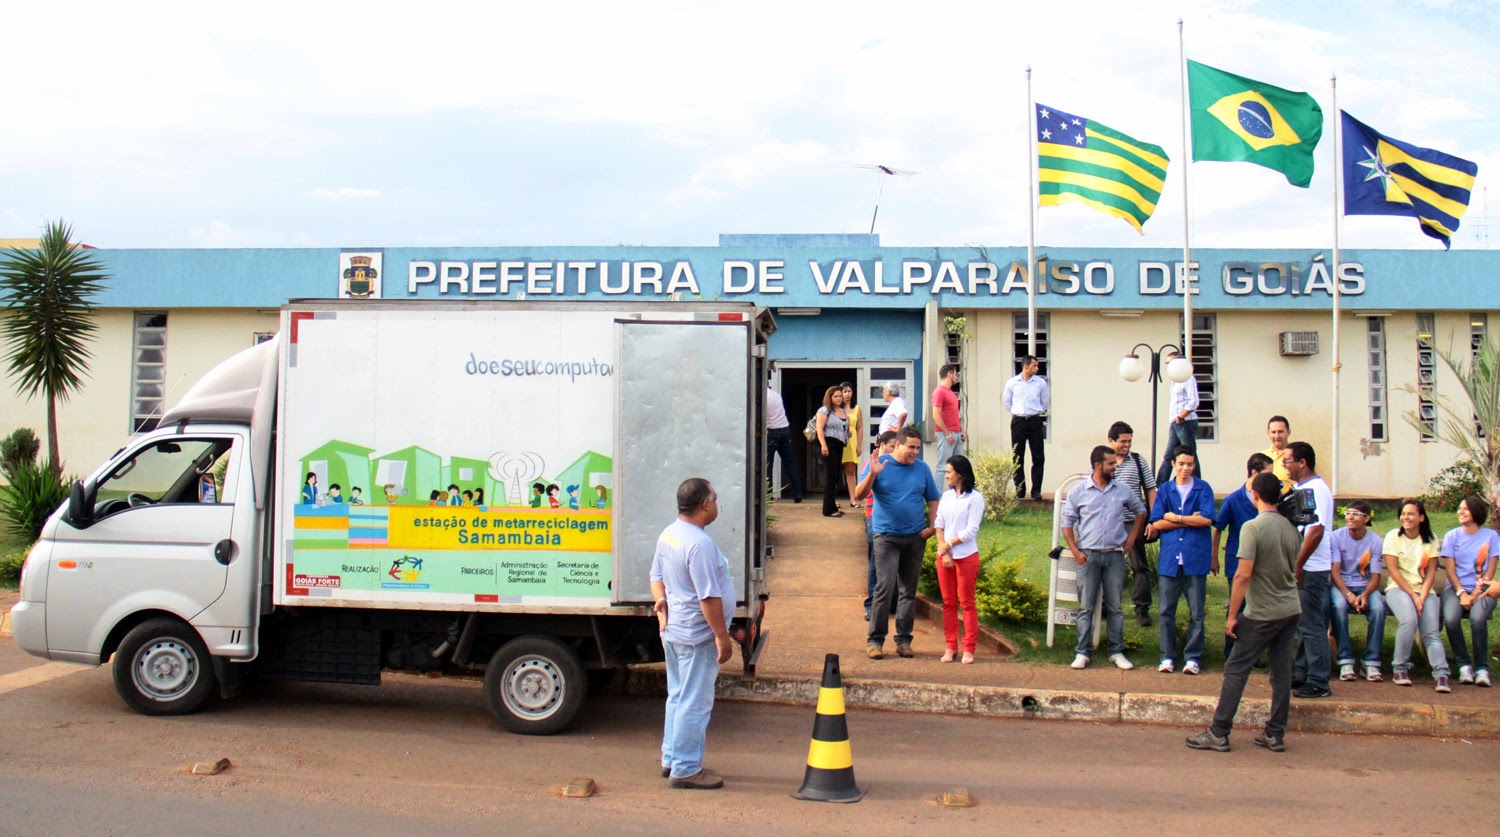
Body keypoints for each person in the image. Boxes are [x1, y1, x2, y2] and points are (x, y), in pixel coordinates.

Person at [1186, 473, 1302, 754]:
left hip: (1262, 611)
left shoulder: (1253, 527)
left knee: (1236, 668)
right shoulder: (1290, 528)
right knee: (1282, 673)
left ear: (1255, 496)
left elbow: (1242, 575)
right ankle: (1275, 734)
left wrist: (1232, 614)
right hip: (1290, 608)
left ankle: (1219, 731)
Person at [650, 477, 735, 790]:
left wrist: (661, 602)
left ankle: (672, 757)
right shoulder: (698, 544)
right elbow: (708, 597)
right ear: (704, 504)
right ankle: (685, 769)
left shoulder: (670, 534)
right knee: (695, 703)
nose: (716, 502)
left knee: (678, 696)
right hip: (696, 637)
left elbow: (655, 577)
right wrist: (722, 636)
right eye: (714, 497)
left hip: (675, 632)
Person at [854, 426, 941, 660]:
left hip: (914, 537)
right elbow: (859, 495)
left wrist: (931, 527)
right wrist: (872, 474)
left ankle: (904, 640)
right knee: (884, 588)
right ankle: (875, 641)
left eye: (917, 448)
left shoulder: (922, 469)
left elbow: (933, 499)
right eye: (911, 447)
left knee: (908, 591)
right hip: (886, 537)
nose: (915, 452)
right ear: (898, 444)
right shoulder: (880, 463)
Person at [1061, 445, 1145, 670]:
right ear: (1098, 465)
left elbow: (1140, 510)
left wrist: (1132, 538)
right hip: (1088, 556)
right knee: (1086, 606)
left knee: (1116, 607)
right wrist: (1076, 551)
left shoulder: (1122, 489)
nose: (1115, 466)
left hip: (1115, 556)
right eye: (1110, 463)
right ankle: (1082, 652)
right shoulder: (1079, 491)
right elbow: (1066, 523)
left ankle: (1116, 651)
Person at [1148, 449, 1215, 675]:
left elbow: (1206, 519)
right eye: (1181, 464)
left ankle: (1193, 657)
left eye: (1190, 464)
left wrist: (1175, 518)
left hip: (1195, 558)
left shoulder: (1203, 488)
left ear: (1194, 465)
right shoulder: (1165, 489)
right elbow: (1157, 523)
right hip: (1170, 559)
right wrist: (1190, 520)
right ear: (1174, 464)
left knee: (1196, 611)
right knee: (1166, 610)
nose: (1185, 468)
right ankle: (1167, 656)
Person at [1283, 441, 1334, 699]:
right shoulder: (1303, 489)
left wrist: (1298, 565)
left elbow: (1315, 530)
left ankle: (1319, 680)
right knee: (1303, 623)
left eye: (1288, 461)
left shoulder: (1317, 489)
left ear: (1302, 462)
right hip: (1305, 566)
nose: (1285, 466)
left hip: (1312, 568)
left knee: (1312, 624)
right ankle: (1303, 673)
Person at [1212, 453, 1276, 662]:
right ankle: (1232, 651)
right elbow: (1218, 527)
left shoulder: (1271, 500)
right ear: (1254, 473)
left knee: (1257, 608)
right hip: (1237, 561)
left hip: (1263, 561)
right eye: (1267, 474)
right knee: (1237, 605)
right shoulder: (1233, 499)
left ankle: (1254, 652)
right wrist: (1214, 556)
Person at [1382, 499, 1450, 692]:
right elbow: (1394, 571)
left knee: (1431, 631)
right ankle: (1399, 669)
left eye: (1411, 514)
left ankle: (1441, 674)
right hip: (1399, 589)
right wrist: (1413, 596)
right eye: (1403, 513)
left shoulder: (1430, 539)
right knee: (1409, 620)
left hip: (1425, 591)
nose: (1406, 517)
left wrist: (1423, 595)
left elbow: (1431, 572)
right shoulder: (1393, 536)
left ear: (1421, 517)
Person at [1440, 496, 1499, 687]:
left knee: (1478, 618)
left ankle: (1482, 668)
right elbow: (1450, 570)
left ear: (1476, 511)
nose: (1461, 512)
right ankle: (1464, 664)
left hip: (1483, 589)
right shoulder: (1452, 536)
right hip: (1456, 589)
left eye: (1465, 509)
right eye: (1459, 508)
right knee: (1450, 618)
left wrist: (1475, 593)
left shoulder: (1491, 536)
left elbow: (1490, 570)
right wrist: (1461, 593)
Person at [1328, 500, 1388, 682]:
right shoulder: (1336, 537)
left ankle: (1371, 662)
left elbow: (1376, 577)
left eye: (1355, 514)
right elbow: (1335, 571)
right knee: (1338, 606)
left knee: (1378, 609)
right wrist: (1348, 594)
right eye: (1347, 513)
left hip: (1365, 586)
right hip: (1341, 585)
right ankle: (1345, 659)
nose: (1350, 517)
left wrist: (1364, 595)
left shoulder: (1375, 541)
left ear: (1366, 518)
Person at [935, 454, 985, 665]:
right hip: (945, 555)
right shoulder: (946, 497)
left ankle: (969, 647)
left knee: (966, 602)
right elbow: (939, 523)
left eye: (949, 472)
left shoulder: (975, 498)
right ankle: (950, 645)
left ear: (960, 474)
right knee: (948, 602)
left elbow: (971, 530)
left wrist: (950, 545)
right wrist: (944, 550)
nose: (946, 475)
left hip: (966, 555)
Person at [1108, 421, 1157, 627]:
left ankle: (1142, 608)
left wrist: (1153, 520)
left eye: (1129, 441)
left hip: (1133, 522)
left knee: (1139, 565)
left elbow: (1151, 489)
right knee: (1107, 565)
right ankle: (1106, 606)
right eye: (1122, 441)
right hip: (1109, 524)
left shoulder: (1138, 461)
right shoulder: (1104, 461)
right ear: (1111, 441)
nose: (1127, 445)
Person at [860, 430, 900, 621]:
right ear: (881, 445)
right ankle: (872, 605)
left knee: (895, 564)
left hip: (895, 522)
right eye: (892, 446)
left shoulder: (900, 464)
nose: (894, 450)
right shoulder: (872, 463)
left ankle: (892, 604)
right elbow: (860, 492)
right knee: (876, 564)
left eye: (896, 446)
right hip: (874, 519)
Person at [1002, 355, 1049, 501]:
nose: (1037, 368)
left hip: (1034, 421)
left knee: (1038, 456)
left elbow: (1045, 402)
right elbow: (1007, 402)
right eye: (1034, 365)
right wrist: (1019, 413)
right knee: (1017, 457)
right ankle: (1020, 490)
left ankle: (1036, 491)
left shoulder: (1040, 383)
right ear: (1026, 366)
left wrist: (1034, 412)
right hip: (1018, 422)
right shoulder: (1012, 383)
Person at [1157, 351, 1201, 485]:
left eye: (1170, 363)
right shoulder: (1175, 381)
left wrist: (1181, 417)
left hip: (1184, 422)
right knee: (1169, 455)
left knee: (1190, 454)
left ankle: (1197, 484)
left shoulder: (1188, 378)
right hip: (1176, 423)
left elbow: (1193, 401)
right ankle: (1159, 486)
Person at [815, 385, 850, 518]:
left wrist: (848, 432)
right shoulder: (824, 410)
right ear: (829, 397)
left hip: (839, 444)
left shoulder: (843, 411)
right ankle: (827, 509)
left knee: (835, 476)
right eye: (835, 396)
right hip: (828, 443)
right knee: (830, 476)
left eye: (840, 396)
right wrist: (823, 445)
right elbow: (819, 428)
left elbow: (845, 427)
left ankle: (832, 506)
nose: (838, 398)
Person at [765, 382, 803, 503]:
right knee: (790, 462)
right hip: (784, 429)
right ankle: (798, 493)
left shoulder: (762, 396)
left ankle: (768, 495)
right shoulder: (776, 395)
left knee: (767, 465)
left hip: (771, 431)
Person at [932, 364, 966, 467]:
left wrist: (961, 430)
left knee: (958, 466)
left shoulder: (950, 392)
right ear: (949, 374)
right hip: (945, 433)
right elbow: (936, 415)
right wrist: (947, 434)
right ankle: (938, 484)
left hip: (956, 433)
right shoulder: (939, 391)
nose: (957, 377)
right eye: (956, 374)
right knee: (943, 466)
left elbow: (954, 414)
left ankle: (956, 484)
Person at [840, 382, 864, 508]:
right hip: (839, 440)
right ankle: (832, 500)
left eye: (849, 391)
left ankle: (853, 499)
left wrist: (859, 445)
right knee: (834, 471)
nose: (847, 394)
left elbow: (860, 428)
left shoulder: (857, 408)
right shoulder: (836, 408)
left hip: (852, 441)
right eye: (844, 391)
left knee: (851, 471)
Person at [1260, 416, 1293, 494]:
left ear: (1288, 432)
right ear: (1268, 433)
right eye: (1273, 432)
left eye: (1280, 432)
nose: (1277, 436)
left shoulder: (1295, 456)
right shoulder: (1261, 456)